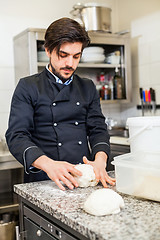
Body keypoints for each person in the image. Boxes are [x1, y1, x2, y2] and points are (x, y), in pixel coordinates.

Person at [6, 17, 115, 190]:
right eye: (63, 55)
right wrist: (48, 164)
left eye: (76, 56)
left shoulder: (87, 87)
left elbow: (98, 129)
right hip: (44, 180)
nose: (69, 64)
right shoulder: (28, 87)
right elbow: (17, 136)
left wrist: (100, 160)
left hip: (84, 178)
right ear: (48, 50)